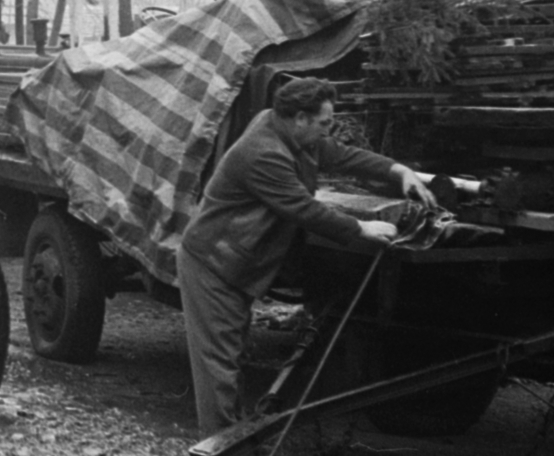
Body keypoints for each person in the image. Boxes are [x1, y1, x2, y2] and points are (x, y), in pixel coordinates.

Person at [177, 77, 437, 435]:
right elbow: (303, 208)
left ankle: (230, 439)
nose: (326, 131)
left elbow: (343, 155)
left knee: (230, 353)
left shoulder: (286, 129)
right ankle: (219, 452)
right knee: (218, 362)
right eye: (323, 123)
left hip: (239, 257)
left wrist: (399, 171)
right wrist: (361, 229)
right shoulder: (263, 152)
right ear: (300, 118)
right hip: (215, 260)